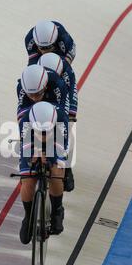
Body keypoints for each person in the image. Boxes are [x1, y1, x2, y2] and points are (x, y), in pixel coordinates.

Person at [16, 65, 70, 244]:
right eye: (31, 95)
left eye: (37, 93)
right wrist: (35, 154)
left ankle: (57, 210)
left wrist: (52, 157)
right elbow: (25, 144)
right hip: (32, 132)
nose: (34, 97)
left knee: (57, 172)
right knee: (28, 179)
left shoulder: (60, 116)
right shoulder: (25, 119)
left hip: (56, 134)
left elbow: (62, 146)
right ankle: (27, 216)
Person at [38, 53, 77, 192]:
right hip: (42, 95)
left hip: (62, 98)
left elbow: (65, 110)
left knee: (67, 125)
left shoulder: (66, 75)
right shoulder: (36, 71)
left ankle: (67, 166)